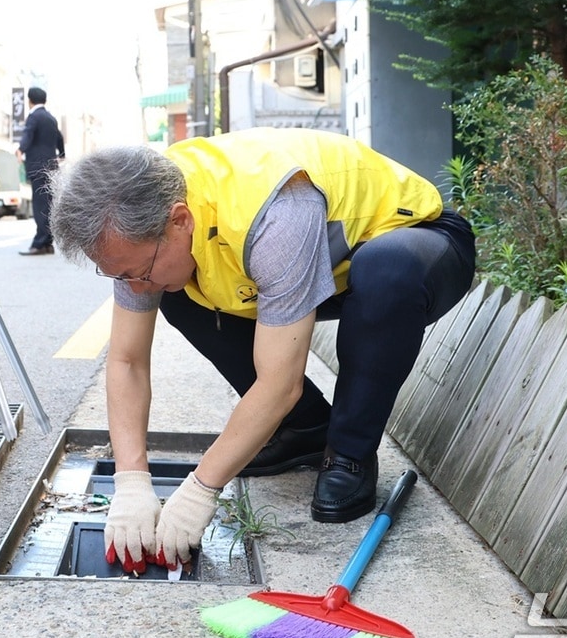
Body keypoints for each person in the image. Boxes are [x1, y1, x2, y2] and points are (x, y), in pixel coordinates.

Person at [49, 129, 475, 571]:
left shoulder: (275, 213)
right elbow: (127, 360)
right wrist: (132, 481)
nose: (135, 286)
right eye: (120, 276)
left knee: (386, 274)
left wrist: (200, 490)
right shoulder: (142, 214)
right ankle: (305, 433)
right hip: (320, 267)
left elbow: (279, 382)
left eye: (137, 271)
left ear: (180, 220)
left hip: (416, 245)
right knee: (174, 289)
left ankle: (349, 452)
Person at [16, 86, 64, 255]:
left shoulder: (34, 116)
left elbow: (28, 134)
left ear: (29, 101)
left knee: (40, 205)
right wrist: (62, 154)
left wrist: (21, 149)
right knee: (48, 205)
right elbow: (59, 137)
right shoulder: (51, 118)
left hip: (38, 167)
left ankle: (40, 243)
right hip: (51, 167)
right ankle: (47, 243)